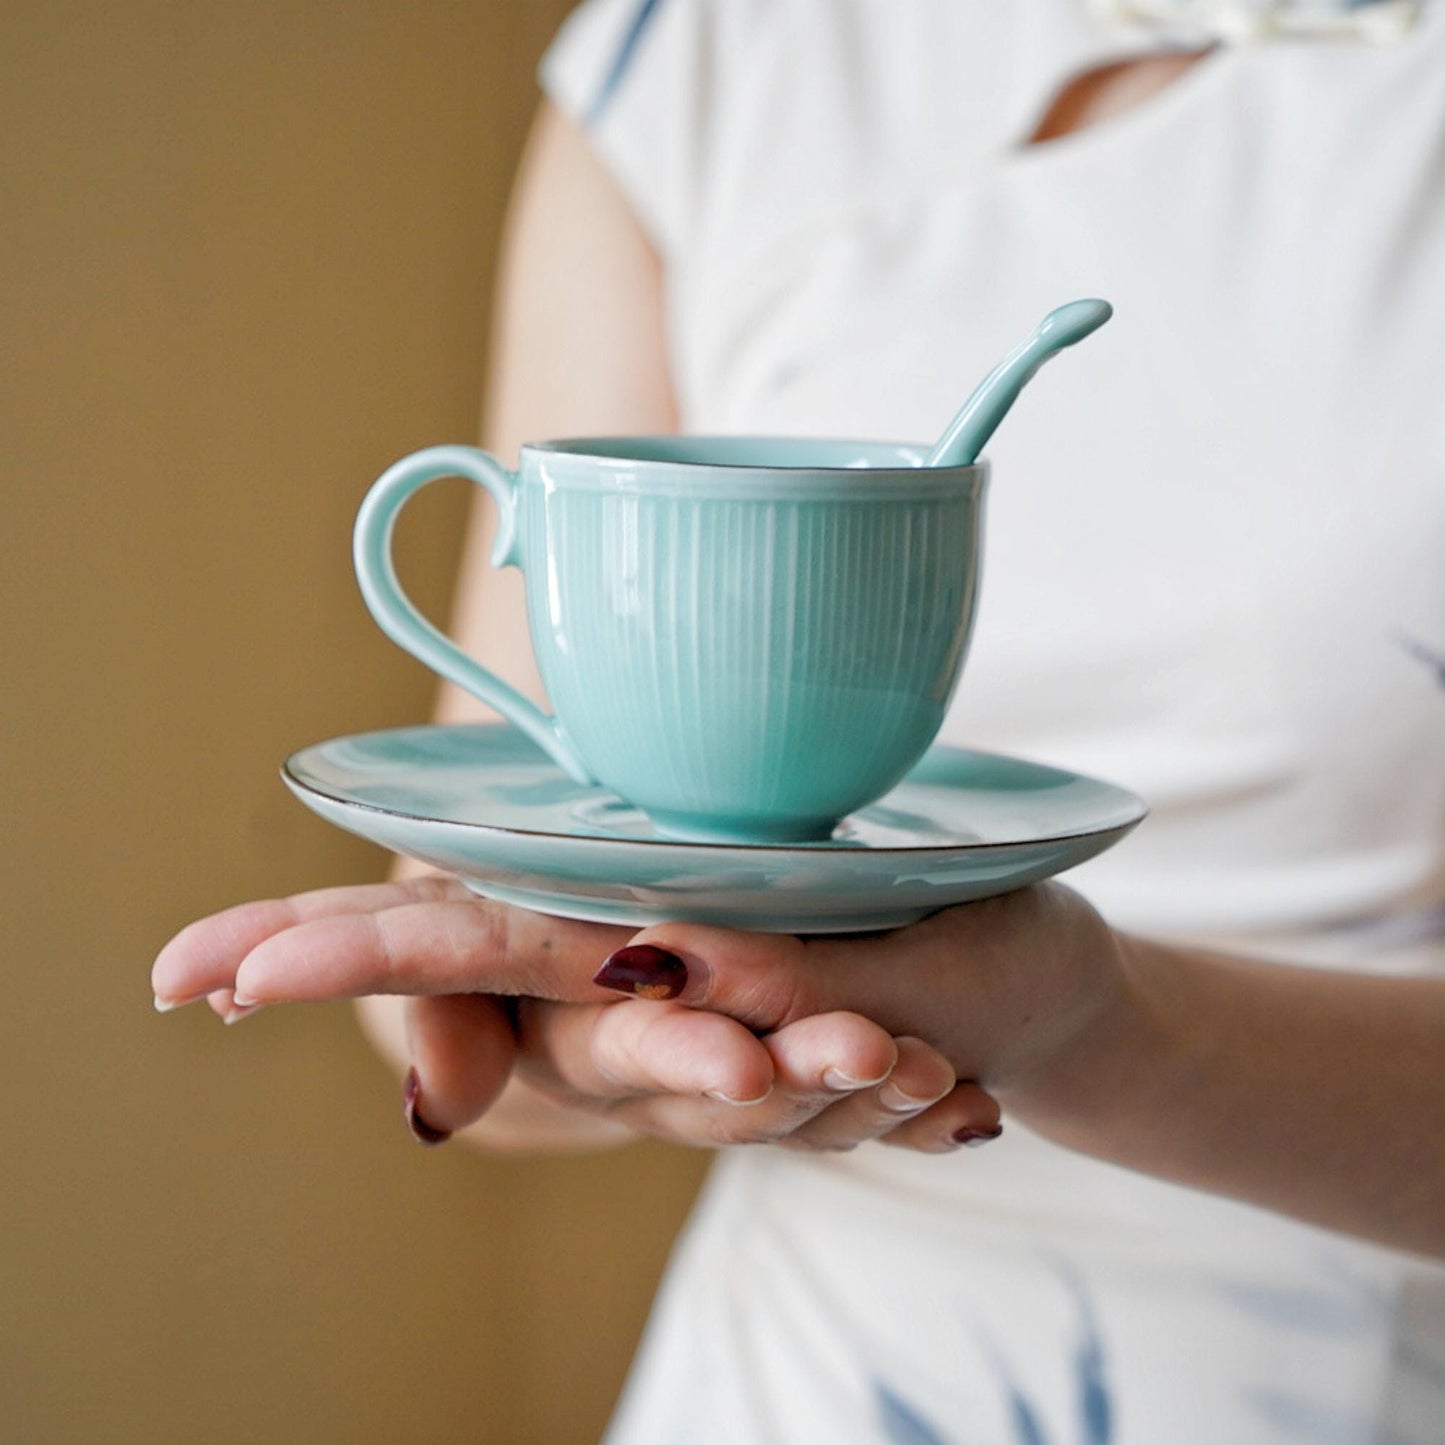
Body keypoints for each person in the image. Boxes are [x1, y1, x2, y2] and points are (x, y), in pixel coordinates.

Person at [154, 0, 1445, 1439]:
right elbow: (481, 964)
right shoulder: (704, 54)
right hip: (801, 1387)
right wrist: (558, 1027)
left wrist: (1093, 1024)